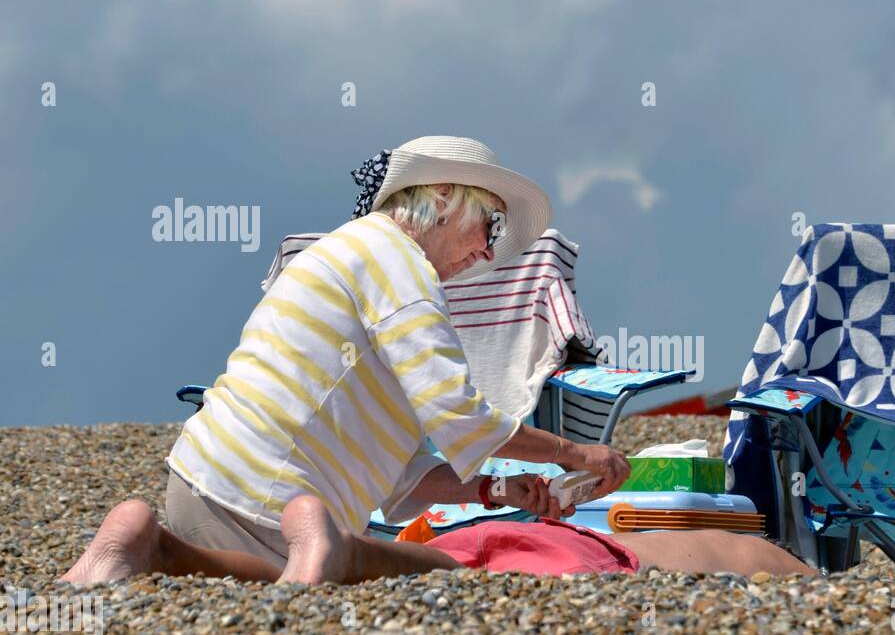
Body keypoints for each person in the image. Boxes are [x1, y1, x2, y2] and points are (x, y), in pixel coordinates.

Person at [63, 136, 631, 585]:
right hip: (270, 505)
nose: (487, 250)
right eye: (490, 226)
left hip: (209, 482)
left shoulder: (356, 252)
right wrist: (576, 452)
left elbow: (402, 475)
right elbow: (460, 415)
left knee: (288, 568)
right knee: (435, 571)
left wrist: (497, 491)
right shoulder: (399, 264)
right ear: (440, 199)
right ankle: (206, 549)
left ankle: (155, 543)